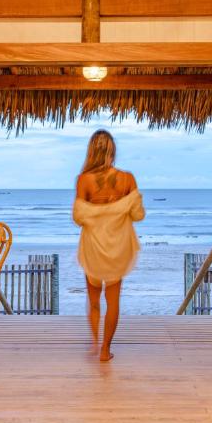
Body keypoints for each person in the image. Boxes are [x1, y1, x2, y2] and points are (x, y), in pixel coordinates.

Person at [72, 130, 145, 362]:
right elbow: (137, 213)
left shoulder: (84, 180)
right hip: (117, 246)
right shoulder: (127, 179)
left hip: (93, 245)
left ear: (92, 151)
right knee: (113, 301)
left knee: (94, 299)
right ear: (112, 150)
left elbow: (78, 216)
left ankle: (95, 343)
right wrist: (117, 207)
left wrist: (98, 210)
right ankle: (105, 350)